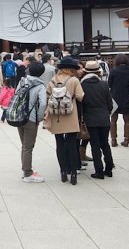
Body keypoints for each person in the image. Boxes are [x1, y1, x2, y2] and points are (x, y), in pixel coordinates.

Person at [44, 57, 85, 185]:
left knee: (59, 143)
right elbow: (80, 96)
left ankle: (62, 171)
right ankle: (73, 173)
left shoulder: (52, 81)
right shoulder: (74, 80)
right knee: (72, 144)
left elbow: (47, 96)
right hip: (70, 115)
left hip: (56, 116)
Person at [80, 60, 114, 179]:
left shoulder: (82, 85)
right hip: (104, 118)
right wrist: (107, 112)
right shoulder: (104, 84)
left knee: (95, 145)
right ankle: (109, 167)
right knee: (105, 143)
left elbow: (82, 104)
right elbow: (110, 104)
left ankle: (99, 170)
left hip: (90, 119)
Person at [108, 54, 129, 147]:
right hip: (127, 97)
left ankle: (113, 140)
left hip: (115, 97)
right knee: (127, 120)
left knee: (113, 119)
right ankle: (126, 140)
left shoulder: (113, 71)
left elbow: (109, 84)